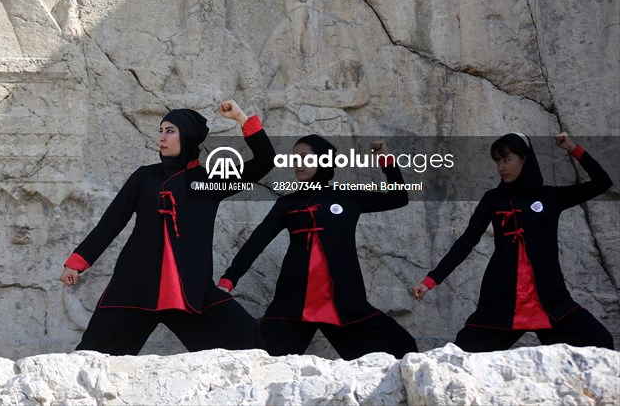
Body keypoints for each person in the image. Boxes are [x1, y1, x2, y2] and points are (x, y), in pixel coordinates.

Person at [58, 101, 268, 354]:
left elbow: (266, 160)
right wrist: (78, 262)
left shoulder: (210, 181)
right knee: (94, 355)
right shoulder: (144, 177)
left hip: (191, 292)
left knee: (243, 334)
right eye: (160, 131)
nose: (161, 138)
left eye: (170, 131)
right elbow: (111, 221)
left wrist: (241, 118)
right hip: (135, 288)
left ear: (188, 136)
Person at [219, 131, 418, 359]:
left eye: (305, 157)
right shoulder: (288, 203)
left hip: (345, 301)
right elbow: (257, 241)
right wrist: (229, 279)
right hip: (293, 302)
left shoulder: (347, 196)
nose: (298, 164)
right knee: (259, 360)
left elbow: (398, 197)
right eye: (294, 159)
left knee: (402, 346)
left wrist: (385, 159)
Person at [410, 132, 614, 352]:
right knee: (461, 356)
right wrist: (431, 280)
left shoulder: (550, 197)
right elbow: (466, 241)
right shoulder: (493, 199)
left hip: (550, 301)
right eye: (498, 161)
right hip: (503, 300)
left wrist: (573, 148)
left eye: (507, 159)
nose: (501, 167)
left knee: (600, 342)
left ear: (525, 159)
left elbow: (603, 182)